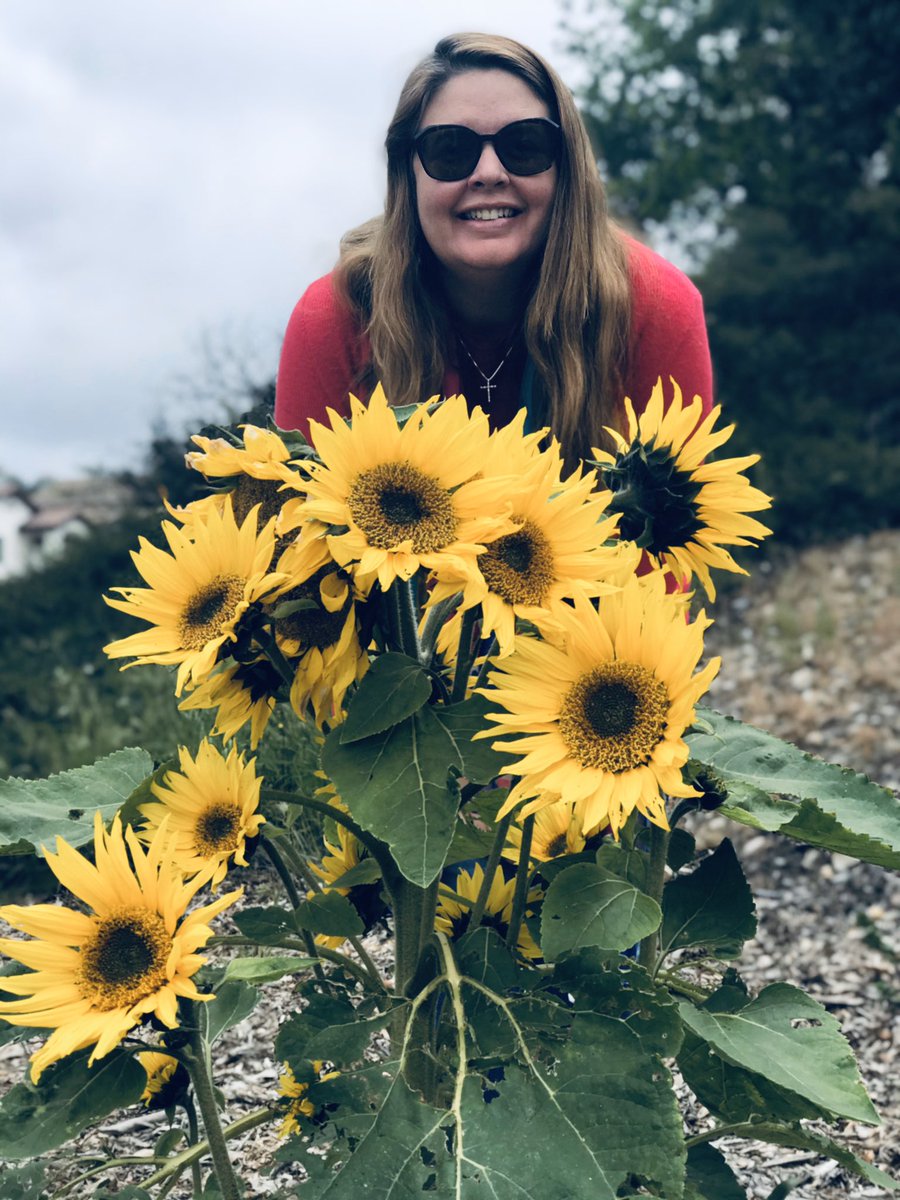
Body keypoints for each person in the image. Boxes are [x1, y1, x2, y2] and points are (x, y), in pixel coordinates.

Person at [274, 32, 713, 464]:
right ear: (407, 175)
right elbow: (300, 510)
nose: (489, 173)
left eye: (524, 146)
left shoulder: (656, 306)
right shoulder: (336, 317)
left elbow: (677, 507)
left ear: (567, 169)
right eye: (450, 150)